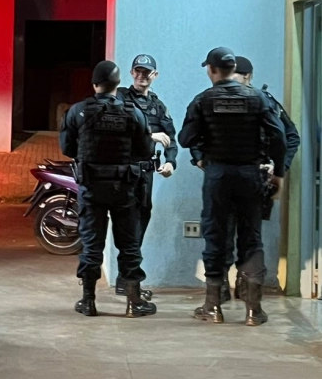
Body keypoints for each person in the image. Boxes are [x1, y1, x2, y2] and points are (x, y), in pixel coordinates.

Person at [178, 47, 286, 327]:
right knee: (251, 239)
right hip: (250, 175)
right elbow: (279, 136)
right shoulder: (258, 99)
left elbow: (186, 138)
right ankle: (253, 310)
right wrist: (279, 173)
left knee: (216, 237)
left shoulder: (203, 100)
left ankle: (213, 307)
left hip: (217, 176)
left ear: (212, 70)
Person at [61, 60, 156, 318]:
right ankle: (134, 302)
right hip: (124, 188)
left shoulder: (78, 111)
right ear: (117, 85)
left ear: (95, 85)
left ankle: (89, 301)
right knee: (129, 244)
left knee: (92, 244)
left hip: (91, 187)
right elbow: (145, 150)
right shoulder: (133, 111)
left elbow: (67, 147)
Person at [222, 56, 300, 300]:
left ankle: (247, 289)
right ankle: (221, 290)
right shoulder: (217, 99)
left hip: (257, 180)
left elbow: (291, 137)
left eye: (234, 75)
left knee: (250, 236)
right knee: (223, 236)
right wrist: (202, 161)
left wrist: (279, 168)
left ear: (247, 77)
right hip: (224, 179)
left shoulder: (267, 103)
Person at [116, 54, 177, 297]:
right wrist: (149, 136)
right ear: (131, 73)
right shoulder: (120, 98)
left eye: (147, 72)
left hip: (146, 173)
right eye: (138, 71)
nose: (142, 76)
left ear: (155, 75)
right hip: (123, 172)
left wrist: (171, 162)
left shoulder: (158, 105)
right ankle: (128, 282)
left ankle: (127, 280)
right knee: (127, 227)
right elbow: (118, 127)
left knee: (139, 225)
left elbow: (171, 138)